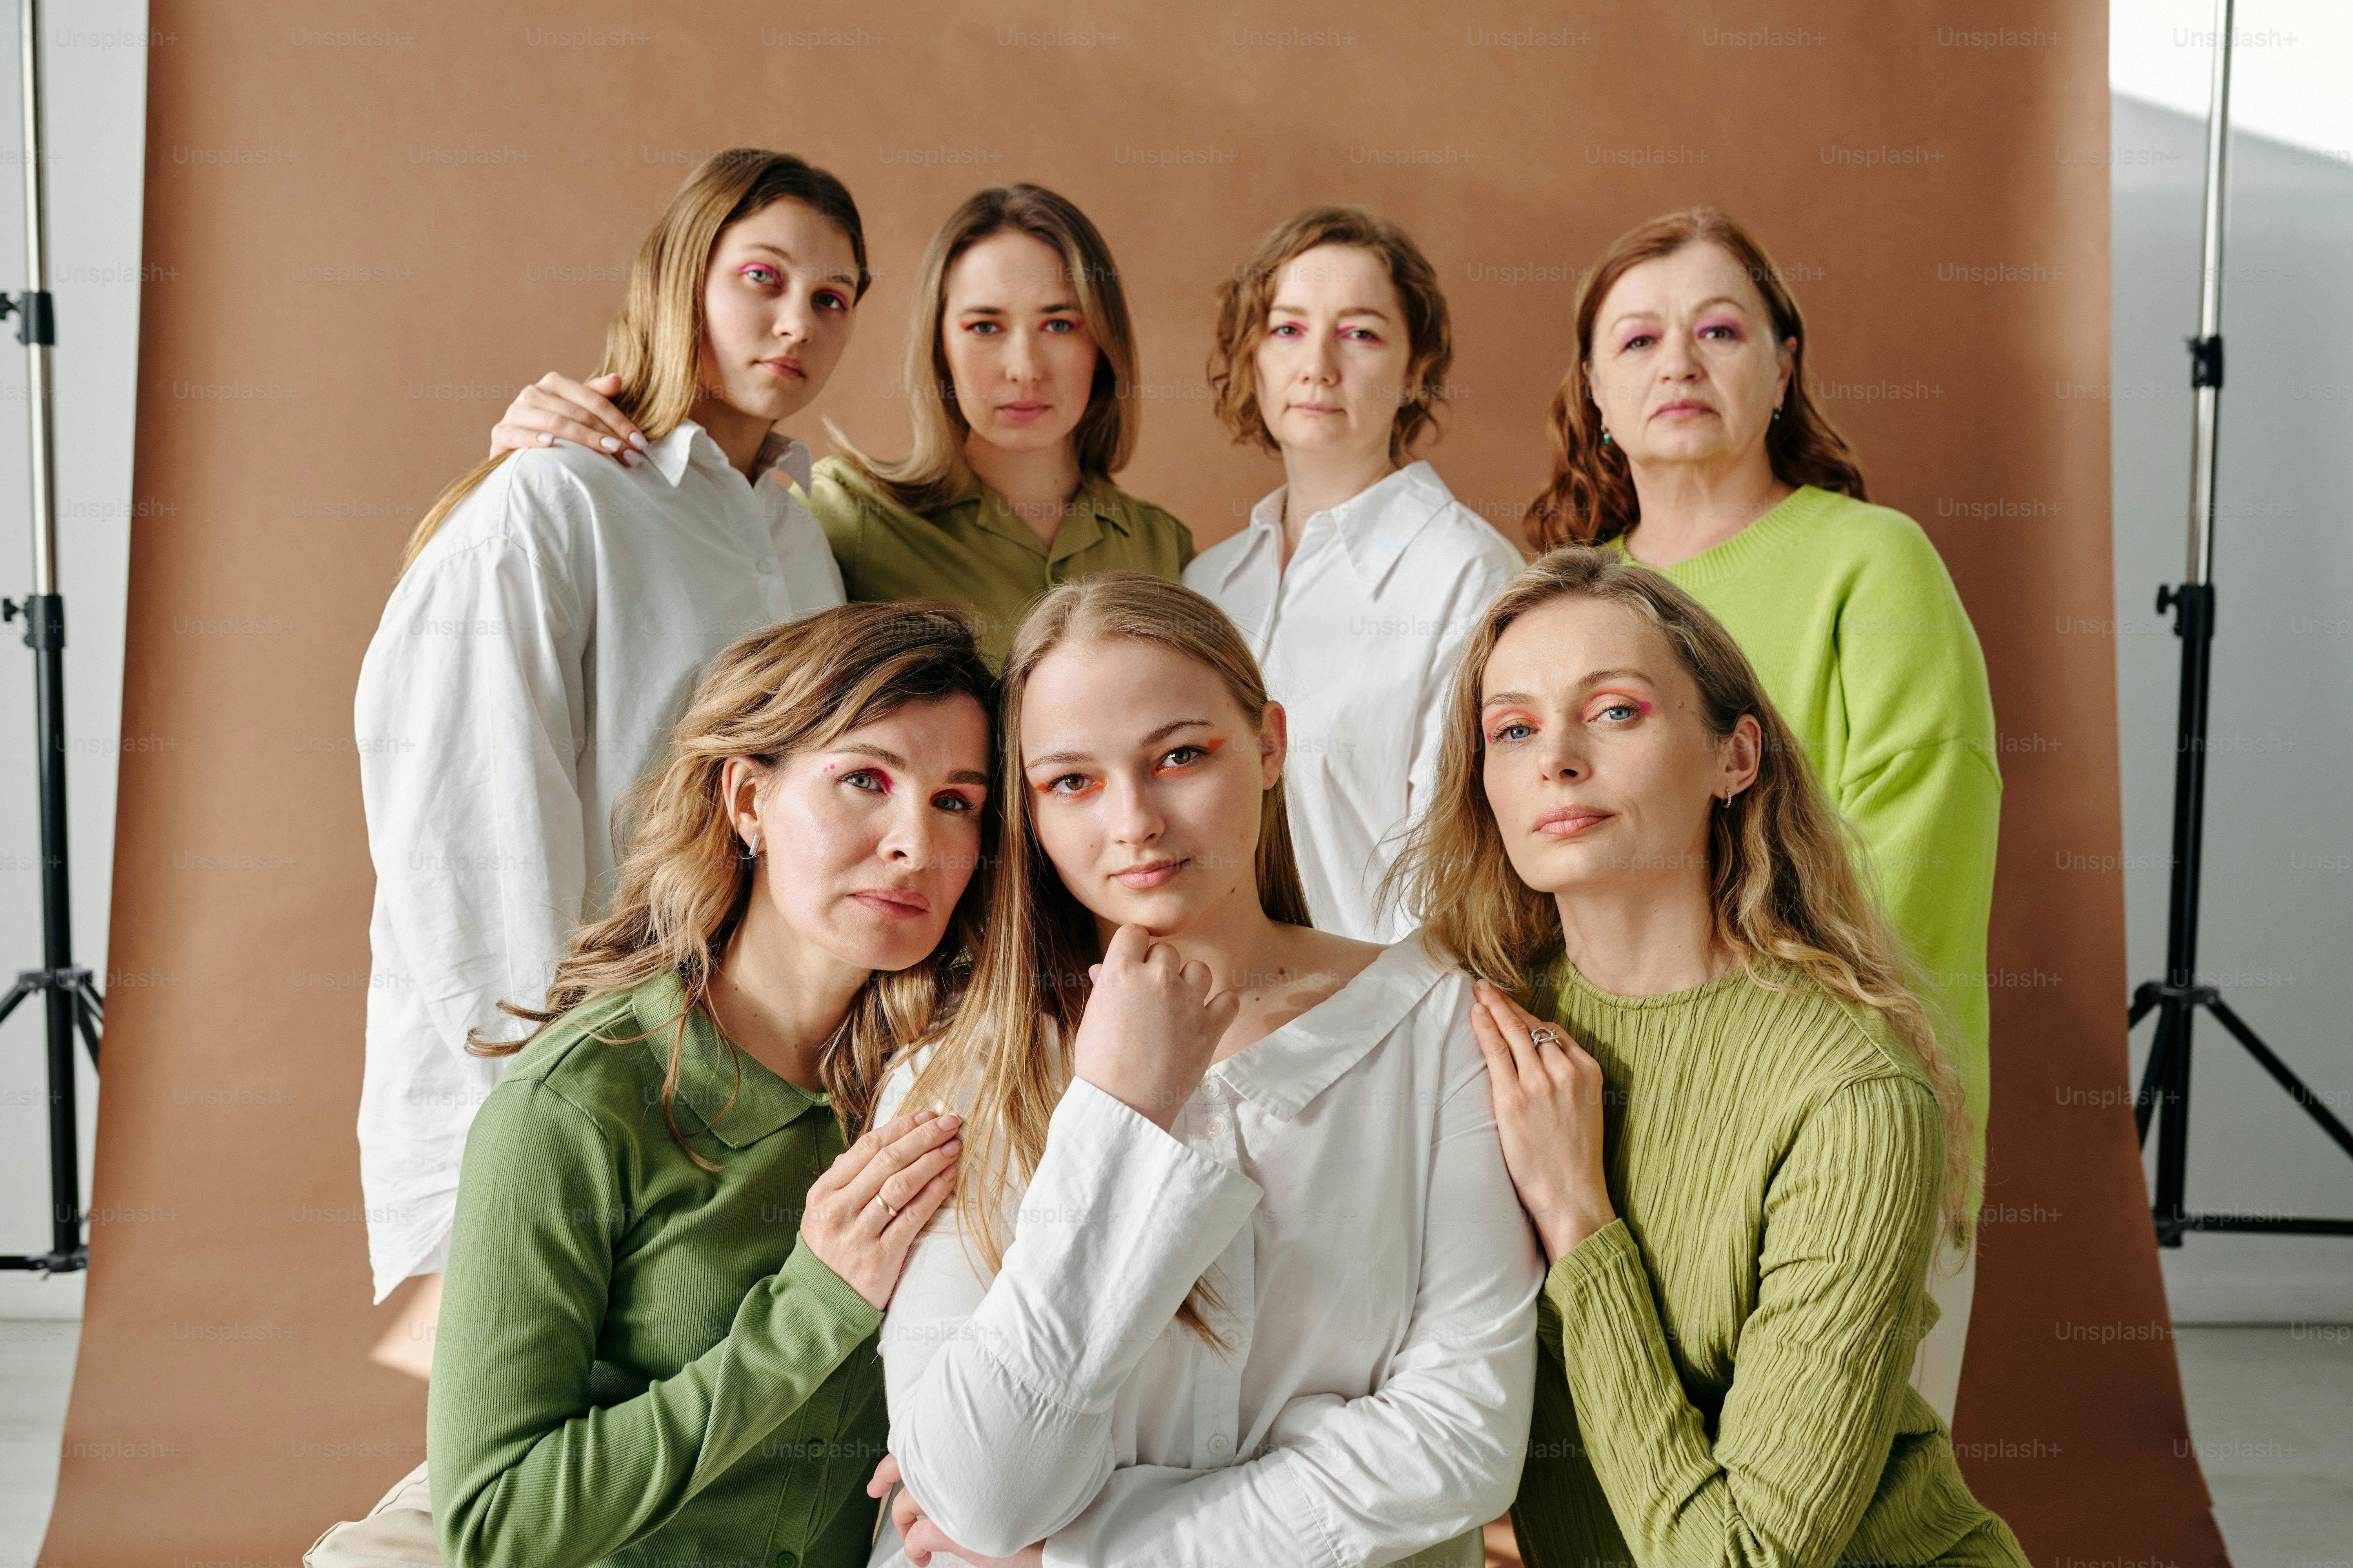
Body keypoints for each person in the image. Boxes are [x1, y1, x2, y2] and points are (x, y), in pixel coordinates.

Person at [866, 572, 1542, 1567]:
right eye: (1072, 781)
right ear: (1032, 811)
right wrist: (1118, 1111)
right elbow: (983, 1491)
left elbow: (1460, 1442)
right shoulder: (945, 1082)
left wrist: (1080, 1552)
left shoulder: (1439, 1027)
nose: (1133, 820)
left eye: (1181, 755)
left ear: (1269, 743)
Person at [1388, 547, 2026, 1566]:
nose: (1557, 756)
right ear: (1487, 785)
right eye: (1514, 729)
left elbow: (1744, 1560)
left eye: (1616, 712)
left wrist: (1579, 1217)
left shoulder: (1852, 1093)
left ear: (1735, 758)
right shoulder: (1474, 1021)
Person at [353, 149, 867, 1314]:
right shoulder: (554, 499)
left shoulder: (798, 547)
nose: (796, 322)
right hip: (559, 1085)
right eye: (763, 278)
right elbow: (464, 829)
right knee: (507, 1471)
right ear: (684, 279)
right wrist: (561, 1096)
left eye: (831, 299)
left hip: (731, 1091)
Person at [1522, 208, 2000, 1418]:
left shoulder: (1872, 561)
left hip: (1827, 1120)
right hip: (1613, 1128)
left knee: (1820, 1508)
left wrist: (1741, 1052)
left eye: (1718, 330)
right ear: (1596, 390)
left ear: (1783, 366)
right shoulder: (1571, 600)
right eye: (1637, 341)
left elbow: (1919, 839)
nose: (1677, 363)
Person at [418, 602, 995, 1568]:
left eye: (956, 801)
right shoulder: (573, 1106)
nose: (916, 843)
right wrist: (814, 1305)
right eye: (864, 778)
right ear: (747, 800)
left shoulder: (943, 1078)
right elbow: (495, 1526)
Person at [485, 184, 1195, 667]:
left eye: (1060, 325)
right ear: (938, 346)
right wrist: (524, 456)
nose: (1023, 368)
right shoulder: (838, 514)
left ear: (1102, 344)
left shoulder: (1168, 548)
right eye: (984, 326)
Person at [1186, 205, 1522, 941]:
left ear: (1415, 371)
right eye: (1288, 328)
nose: (1318, 366)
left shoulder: (1467, 572)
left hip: (1386, 1020)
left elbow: (1458, 862)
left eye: (1361, 333)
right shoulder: (1208, 583)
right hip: (1214, 1013)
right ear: (1253, 358)